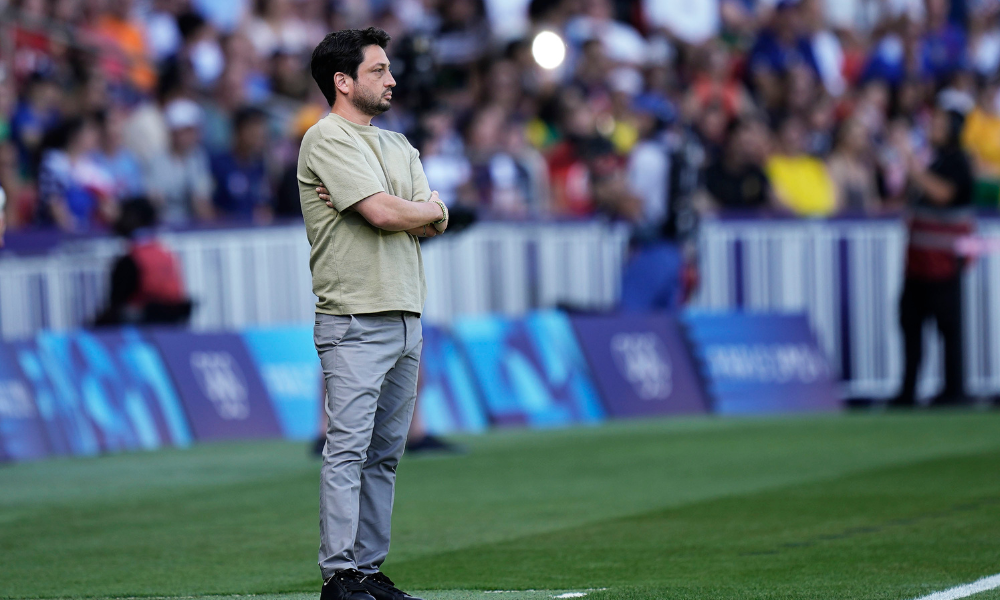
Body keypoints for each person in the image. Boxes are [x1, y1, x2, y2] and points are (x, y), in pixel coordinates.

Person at [299, 27, 448, 600]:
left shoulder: (398, 143)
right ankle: (339, 575)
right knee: (350, 450)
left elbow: (436, 217)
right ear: (342, 81)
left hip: (406, 314)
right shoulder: (325, 139)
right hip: (356, 317)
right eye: (378, 70)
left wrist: (409, 210)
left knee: (384, 454)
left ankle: (368, 569)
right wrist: (413, 209)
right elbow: (392, 214)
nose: (392, 79)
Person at [891, 104, 975, 408]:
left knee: (948, 331)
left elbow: (943, 194)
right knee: (910, 328)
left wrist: (911, 165)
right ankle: (907, 391)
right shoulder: (934, 160)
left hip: (943, 264)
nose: (932, 129)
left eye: (939, 124)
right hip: (917, 264)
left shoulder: (958, 162)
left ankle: (954, 391)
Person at [94, 197, 192, 326]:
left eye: (123, 214)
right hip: (171, 324)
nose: (117, 221)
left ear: (133, 218)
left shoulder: (131, 260)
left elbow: (116, 305)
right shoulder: (166, 254)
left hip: (141, 327)